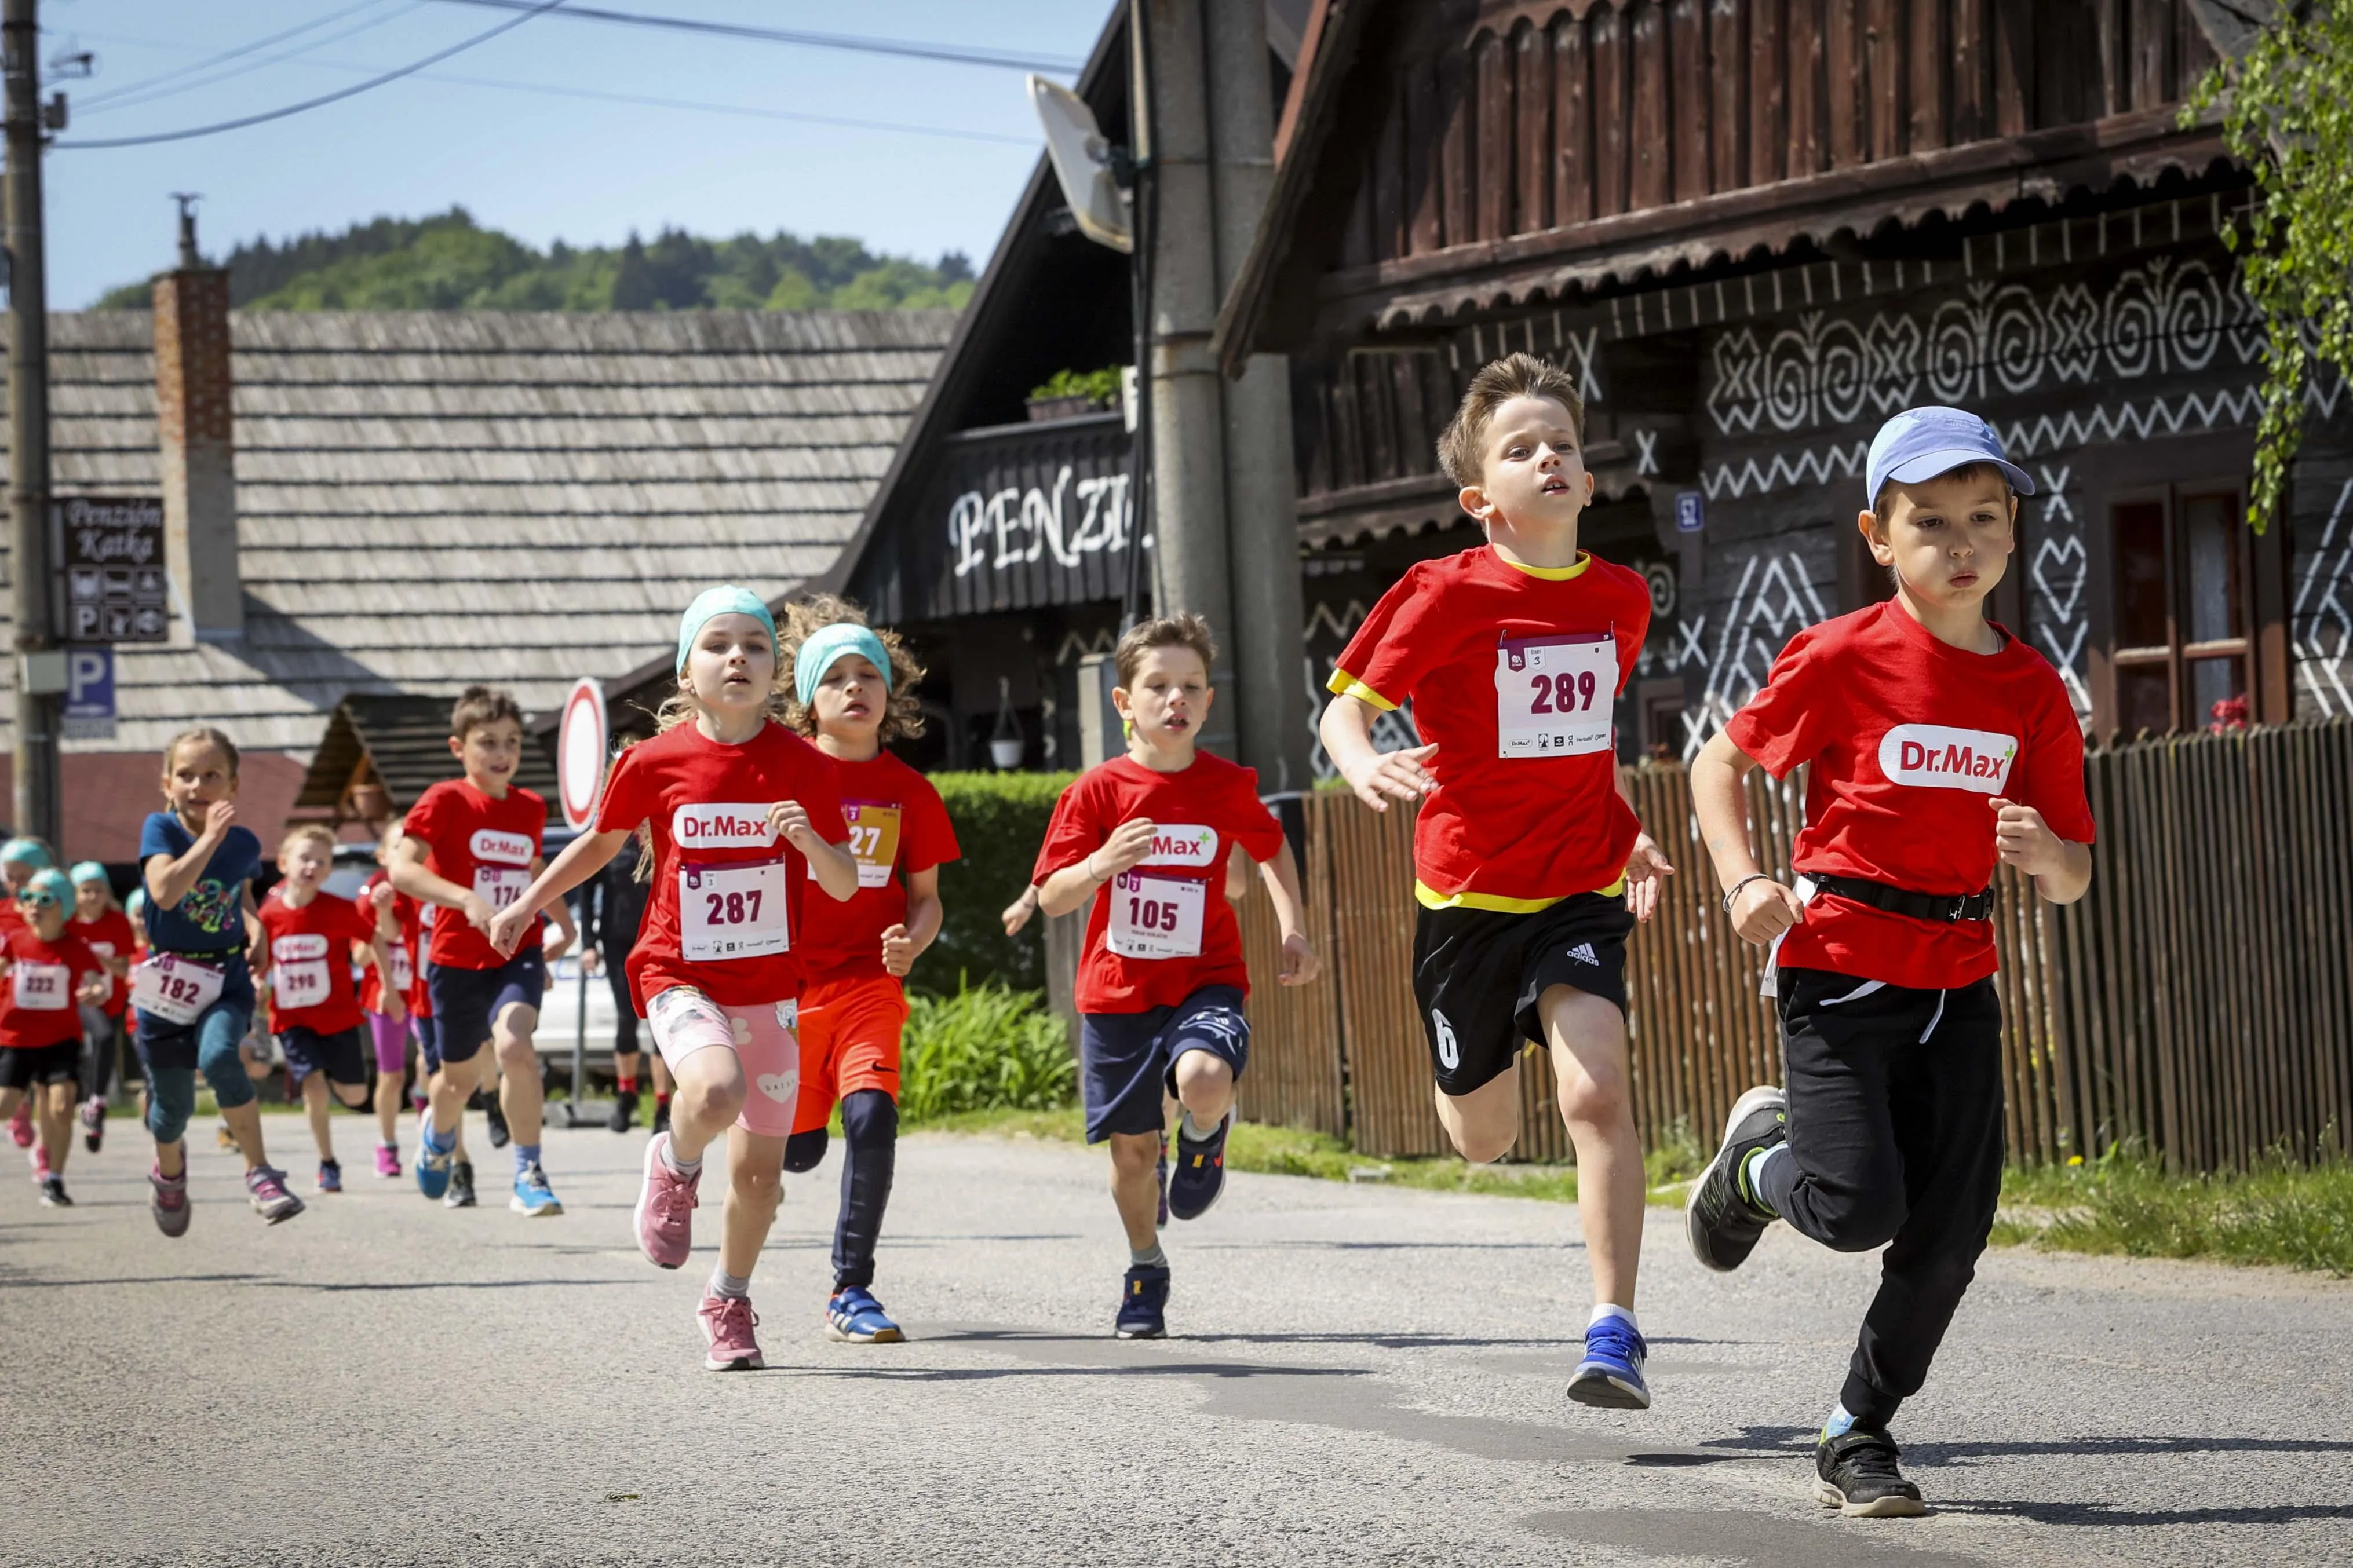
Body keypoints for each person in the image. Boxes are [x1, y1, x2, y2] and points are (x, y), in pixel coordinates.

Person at [1684, 406, 2096, 1517]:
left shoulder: (2031, 689)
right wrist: (1742, 882)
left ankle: (1856, 1428)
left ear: (2011, 529)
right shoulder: (1839, 654)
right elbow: (1717, 765)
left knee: (1951, 1228)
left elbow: (2071, 874)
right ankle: (1756, 1168)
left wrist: (2049, 853)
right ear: (1880, 535)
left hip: (1960, 971)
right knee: (1857, 1204)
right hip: (1840, 962)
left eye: (1982, 517)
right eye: (1930, 521)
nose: (1960, 542)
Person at [1317, 352, 1672, 1409]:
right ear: (1482, 500)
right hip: (1466, 900)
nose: (1547, 458)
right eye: (1520, 449)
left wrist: (1628, 829)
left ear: (1588, 477)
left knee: (1595, 1091)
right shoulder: (1441, 594)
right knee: (1487, 1137)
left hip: (1576, 886)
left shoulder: (1620, 598)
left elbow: (1587, 741)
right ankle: (1470, 1061)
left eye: (1561, 443)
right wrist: (1361, 760)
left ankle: (1614, 1329)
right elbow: (1343, 709)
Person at [490, 586, 857, 1371]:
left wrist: (809, 840)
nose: (738, 658)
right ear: (688, 673)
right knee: (714, 1091)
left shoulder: (803, 766)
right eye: (719, 645)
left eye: (755, 647)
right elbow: (598, 845)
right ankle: (677, 1161)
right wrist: (527, 901)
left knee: (761, 1173)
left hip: (770, 984)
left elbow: (843, 880)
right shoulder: (652, 762)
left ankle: (728, 1295)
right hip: (676, 970)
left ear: (775, 671)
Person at [1034, 613, 1319, 1340]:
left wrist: (1293, 926)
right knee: (1131, 1151)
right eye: (1156, 686)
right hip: (1118, 990)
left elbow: (1270, 847)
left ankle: (1202, 1135)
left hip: (1205, 979)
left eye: (1190, 685)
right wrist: (1100, 865)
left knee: (1202, 1075)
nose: (1175, 699)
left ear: (1207, 701)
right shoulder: (1095, 794)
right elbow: (1051, 895)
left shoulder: (1224, 786)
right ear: (1123, 702)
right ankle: (1144, 1267)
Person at [776, 597, 961, 1344]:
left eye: (869, 676)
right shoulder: (781, 778)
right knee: (796, 1148)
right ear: (807, 700)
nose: (855, 688)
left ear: (890, 694)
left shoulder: (911, 793)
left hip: (867, 988)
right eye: (835, 677)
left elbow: (927, 902)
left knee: (872, 1118)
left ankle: (851, 1289)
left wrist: (912, 945)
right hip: (785, 996)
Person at [390, 686, 575, 1218]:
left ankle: (528, 1173)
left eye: (512, 742)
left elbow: (533, 872)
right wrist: (464, 898)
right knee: (457, 1080)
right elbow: (402, 870)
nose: (502, 753)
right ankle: (439, 1133)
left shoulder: (531, 807)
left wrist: (562, 923)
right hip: (454, 958)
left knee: (515, 1046)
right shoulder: (444, 800)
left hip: (516, 950)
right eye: (488, 742)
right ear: (458, 747)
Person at [133, 726, 305, 1232]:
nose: (197, 785)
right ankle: (169, 1174)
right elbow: (165, 891)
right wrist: (208, 838)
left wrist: (257, 929)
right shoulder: (159, 830)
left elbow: (239, 897)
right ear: (167, 782)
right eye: (186, 775)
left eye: (212, 775)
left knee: (220, 1056)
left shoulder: (246, 843)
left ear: (233, 786)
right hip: (168, 981)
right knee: (172, 1109)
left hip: (224, 976)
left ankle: (261, 1173)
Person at [256, 825, 399, 1194]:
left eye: (322, 861)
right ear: (285, 863)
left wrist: (388, 987)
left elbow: (375, 940)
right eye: (305, 858)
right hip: (292, 1019)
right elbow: (259, 959)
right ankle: (327, 1162)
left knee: (356, 1097)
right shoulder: (269, 916)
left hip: (338, 1018)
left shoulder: (338, 909)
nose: (313, 866)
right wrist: (256, 981)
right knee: (314, 1088)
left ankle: (335, 1081)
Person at [1, 868, 110, 1205]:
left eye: (45, 899)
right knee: (3, 1106)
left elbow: (97, 985)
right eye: (28, 898)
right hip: (16, 1038)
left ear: (62, 907)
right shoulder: (15, 942)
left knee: (62, 1106)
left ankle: (54, 1179)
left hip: (60, 1040)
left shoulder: (75, 947)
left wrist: (93, 992)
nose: (34, 905)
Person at [581, 828, 657, 1133]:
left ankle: (663, 1102)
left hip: (655, 937)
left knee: (658, 1019)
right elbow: (586, 891)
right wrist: (588, 943)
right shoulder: (611, 836)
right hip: (617, 941)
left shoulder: (660, 831)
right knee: (626, 1018)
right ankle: (627, 1096)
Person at [356, 819, 415, 1179]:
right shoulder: (371, 892)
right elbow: (362, 956)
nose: (408, 854)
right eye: (398, 847)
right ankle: (387, 1144)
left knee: (434, 1064)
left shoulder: (425, 887)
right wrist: (381, 912)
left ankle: (427, 1107)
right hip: (385, 996)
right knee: (391, 1076)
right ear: (382, 856)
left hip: (424, 991)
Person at [68, 862, 135, 1154]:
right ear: (74, 894)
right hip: (75, 999)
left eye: (99, 890)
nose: (93, 897)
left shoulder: (117, 923)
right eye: (86, 891)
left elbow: (124, 970)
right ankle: (91, 1101)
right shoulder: (67, 923)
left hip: (110, 998)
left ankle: (95, 1106)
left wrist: (94, 958)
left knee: (106, 1042)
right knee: (98, 1039)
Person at [2, 836, 50, 1152]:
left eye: (26, 877)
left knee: (49, 1085)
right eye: (11, 876)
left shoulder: (54, 912)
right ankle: (19, 1106)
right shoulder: (2, 913)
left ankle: (46, 1158)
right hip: (7, 1007)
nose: (18, 884)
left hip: (48, 1005)